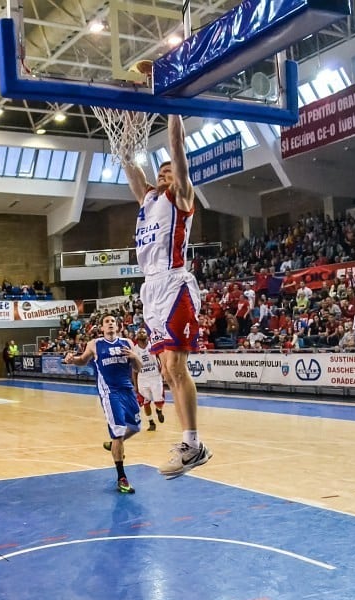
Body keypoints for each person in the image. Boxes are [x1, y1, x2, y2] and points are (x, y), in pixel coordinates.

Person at [122, 113, 211, 478]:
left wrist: (170, 108)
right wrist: (125, 134)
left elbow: (177, 148)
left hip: (174, 283)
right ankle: (190, 443)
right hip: (150, 287)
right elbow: (132, 170)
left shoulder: (182, 196)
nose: (163, 174)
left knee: (176, 366)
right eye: (159, 173)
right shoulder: (147, 199)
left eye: (168, 172)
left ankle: (192, 443)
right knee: (166, 370)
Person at [64, 313, 143, 494]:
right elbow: (82, 360)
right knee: (118, 431)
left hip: (127, 390)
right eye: (106, 322)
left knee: (136, 427)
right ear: (101, 328)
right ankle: (121, 477)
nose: (110, 324)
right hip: (110, 393)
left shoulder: (128, 343)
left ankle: (115, 443)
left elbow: (138, 368)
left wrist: (134, 356)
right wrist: (72, 359)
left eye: (113, 321)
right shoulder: (95, 344)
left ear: (118, 326)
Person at [131, 327, 165, 431]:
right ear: (136, 336)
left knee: (159, 401)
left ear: (147, 335)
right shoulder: (134, 350)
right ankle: (151, 422)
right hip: (142, 378)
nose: (141, 333)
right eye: (139, 332)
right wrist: (135, 385)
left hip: (155, 376)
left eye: (143, 332)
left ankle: (159, 410)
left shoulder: (154, 346)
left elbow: (162, 359)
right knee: (146, 402)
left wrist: (163, 371)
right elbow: (134, 370)